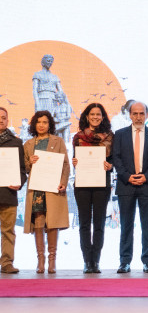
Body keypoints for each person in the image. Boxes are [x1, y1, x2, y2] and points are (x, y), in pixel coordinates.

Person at [113, 101, 148, 273]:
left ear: (147, 115)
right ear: (129, 115)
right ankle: (124, 261)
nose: (138, 117)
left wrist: (146, 176)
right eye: (135, 113)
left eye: (142, 113)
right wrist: (128, 177)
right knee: (126, 225)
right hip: (126, 185)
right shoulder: (119, 135)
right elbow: (116, 159)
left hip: (147, 185)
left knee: (147, 225)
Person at [23, 110, 70, 274]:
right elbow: (25, 169)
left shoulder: (58, 141)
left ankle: (52, 260)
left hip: (53, 188)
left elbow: (65, 164)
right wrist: (30, 162)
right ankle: (40, 260)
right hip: (36, 189)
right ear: (34, 125)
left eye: (44, 122)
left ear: (50, 124)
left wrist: (63, 183)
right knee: (38, 222)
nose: (41, 125)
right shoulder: (28, 144)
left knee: (53, 223)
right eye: (38, 122)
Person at [72, 103, 114, 274]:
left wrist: (110, 165)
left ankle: (95, 261)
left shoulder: (110, 137)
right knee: (83, 223)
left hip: (101, 183)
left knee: (99, 223)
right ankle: (86, 261)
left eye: (99, 114)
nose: (95, 117)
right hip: (82, 183)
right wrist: (75, 162)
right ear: (87, 116)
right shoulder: (78, 137)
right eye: (92, 114)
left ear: (103, 117)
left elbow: (114, 160)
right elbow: (75, 158)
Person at [0, 107, 27, 274]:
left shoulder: (16, 142)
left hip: (8, 194)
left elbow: (22, 170)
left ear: (7, 120)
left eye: (3, 117)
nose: (0, 120)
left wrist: (19, 182)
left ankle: (7, 263)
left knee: (8, 231)